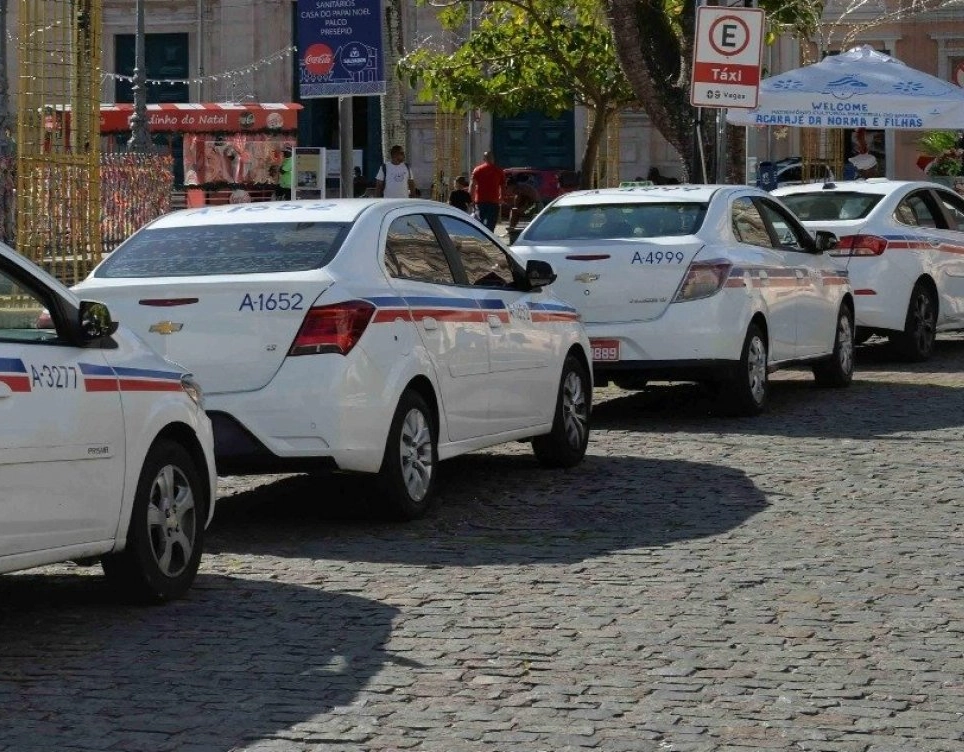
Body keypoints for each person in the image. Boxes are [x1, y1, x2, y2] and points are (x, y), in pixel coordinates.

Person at [469, 151, 504, 231]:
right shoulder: (498, 171)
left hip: (480, 201)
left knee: (479, 222)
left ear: (484, 159)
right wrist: (501, 197)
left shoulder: (477, 170)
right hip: (494, 201)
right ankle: (489, 238)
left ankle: (481, 238)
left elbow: (472, 185)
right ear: (493, 159)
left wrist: (471, 199)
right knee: (491, 223)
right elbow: (502, 186)